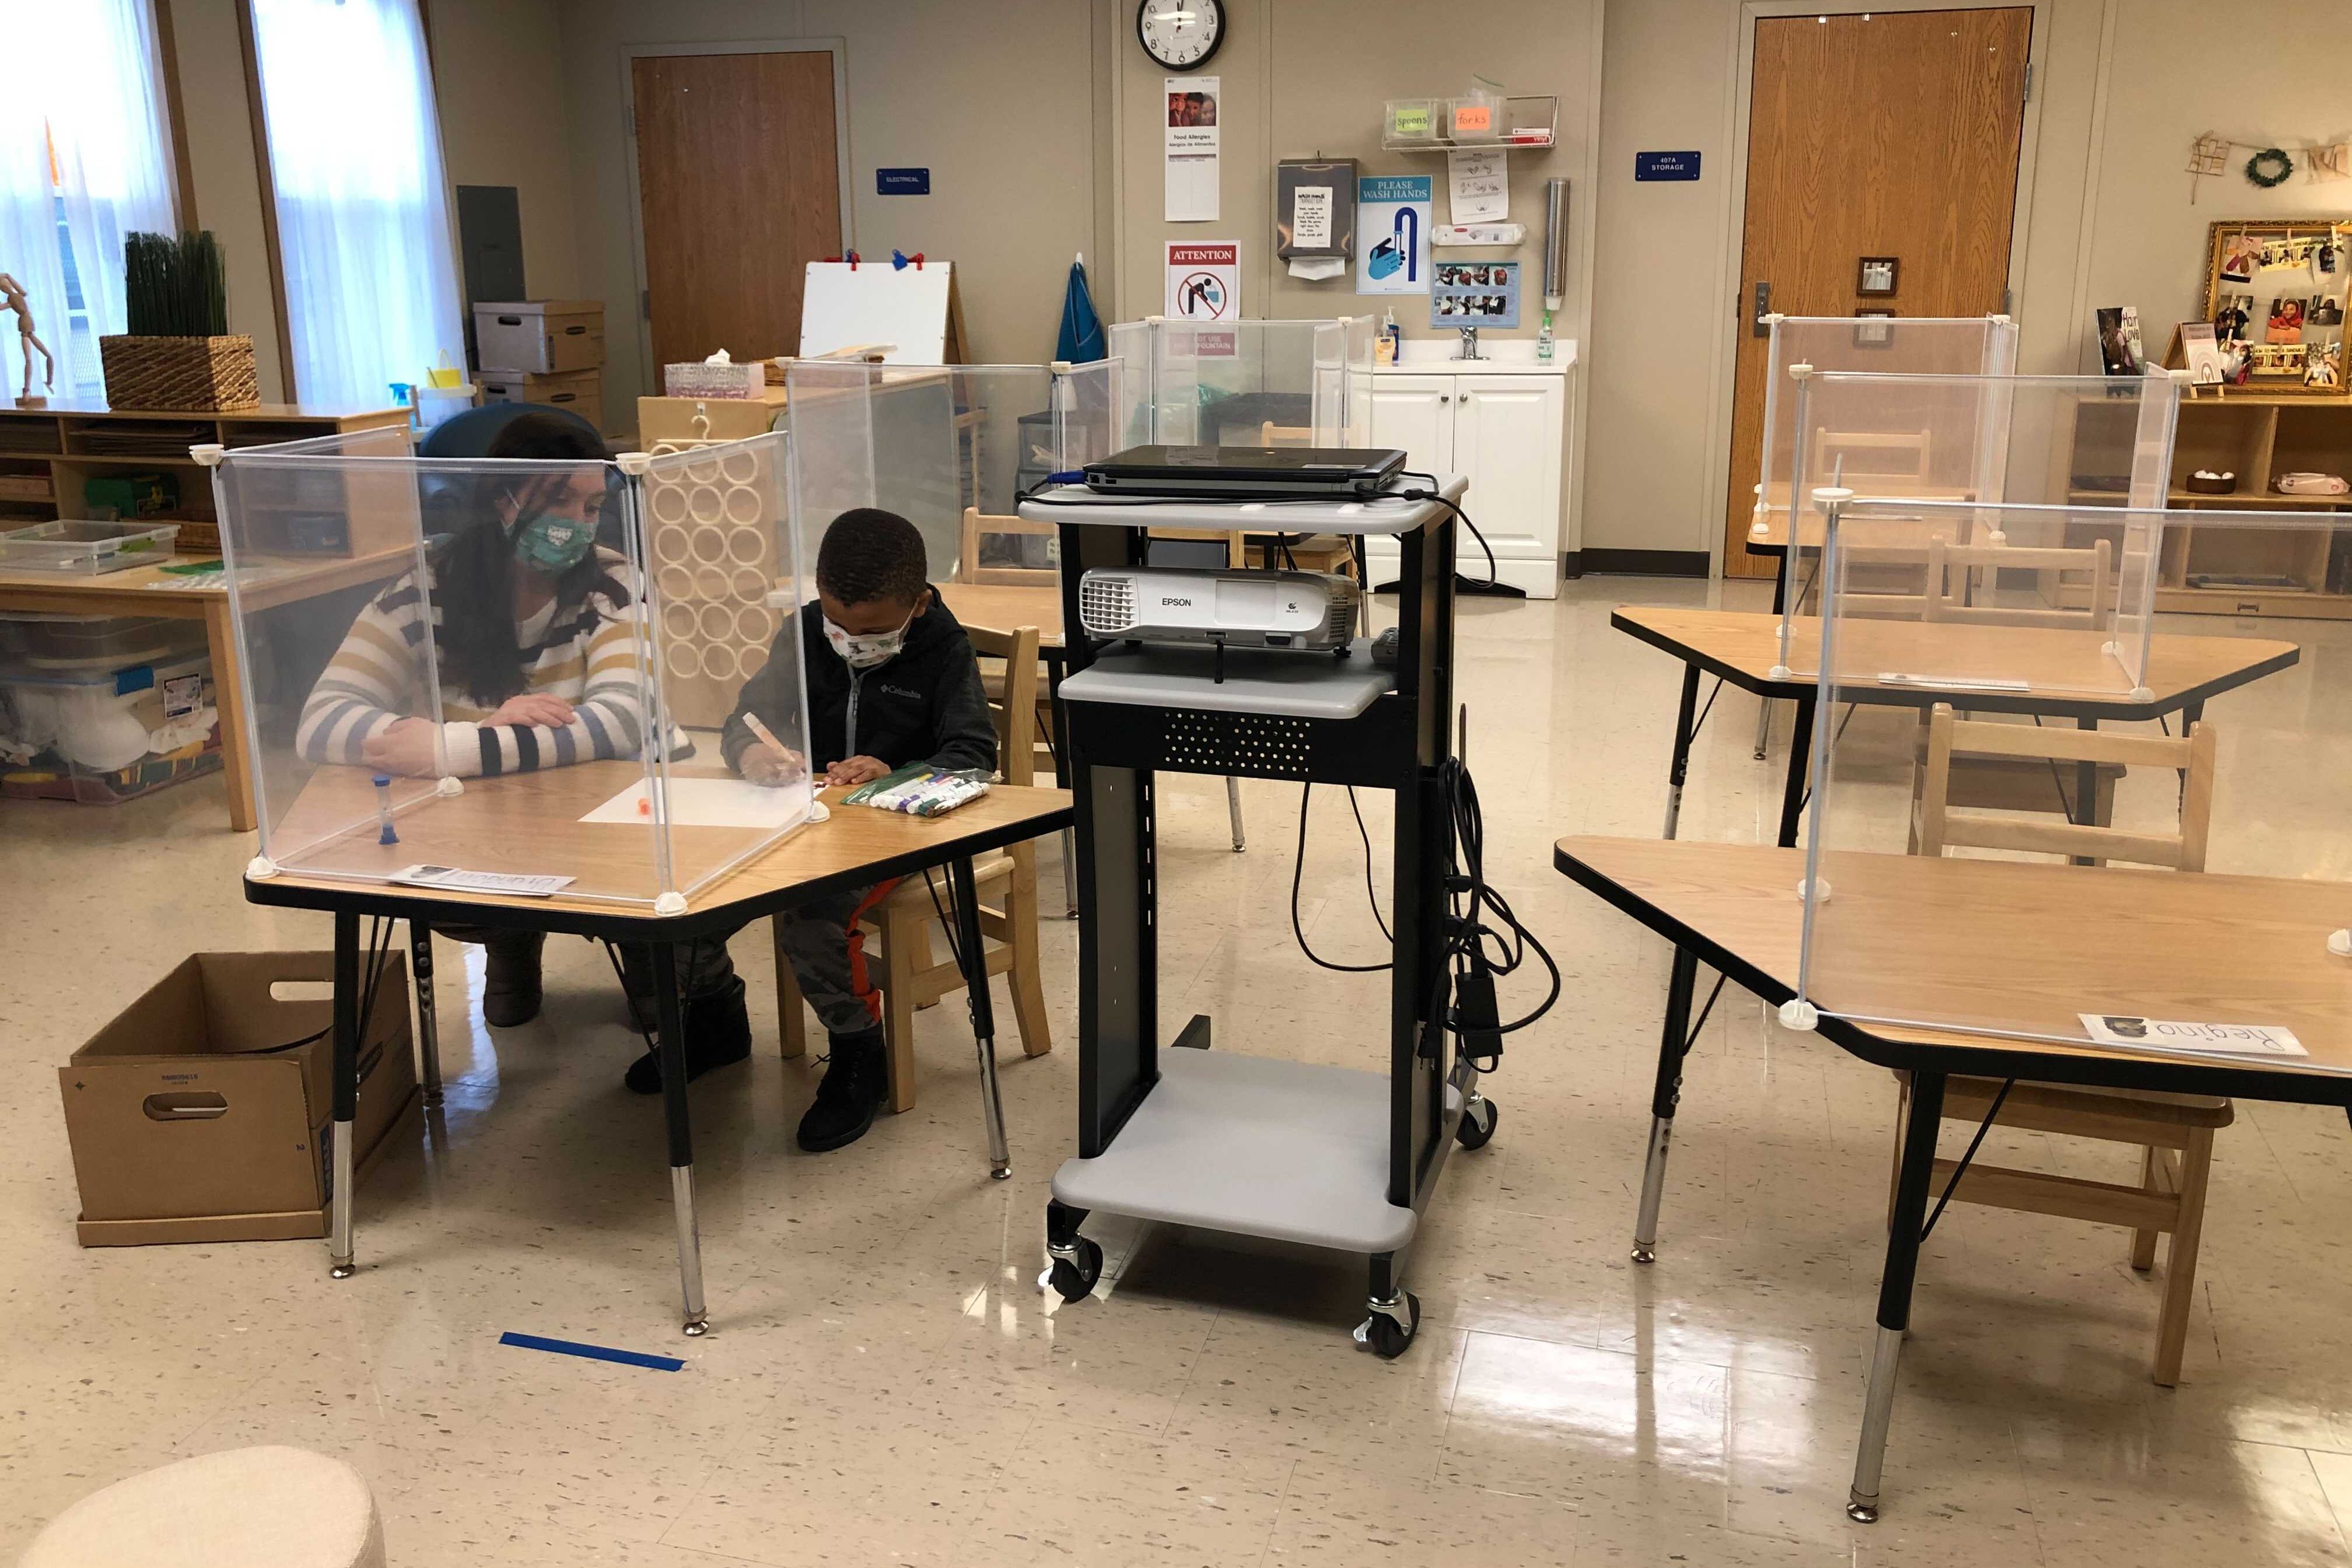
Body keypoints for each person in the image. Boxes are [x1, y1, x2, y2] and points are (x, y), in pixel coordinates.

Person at [295, 413, 750, 1064]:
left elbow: (619, 718)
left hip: (622, 818)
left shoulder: (615, 582)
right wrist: (469, 733)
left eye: (593, 505)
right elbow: (320, 719)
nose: (579, 522)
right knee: (448, 889)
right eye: (559, 499)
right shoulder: (425, 588)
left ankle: (655, 960)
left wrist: (452, 748)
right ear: (502, 498)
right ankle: (513, 940)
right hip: (497, 818)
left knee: (662, 940)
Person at [676, 508, 995, 1150]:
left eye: (873, 630)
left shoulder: (944, 648)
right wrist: (752, 753)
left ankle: (857, 1056)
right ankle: (716, 1020)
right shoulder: (802, 633)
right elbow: (747, 718)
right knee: (687, 897)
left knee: (813, 920)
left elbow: (971, 754)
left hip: (892, 827)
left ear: (920, 604)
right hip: (800, 817)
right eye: (837, 623)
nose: (851, 640)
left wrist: (892, 770)